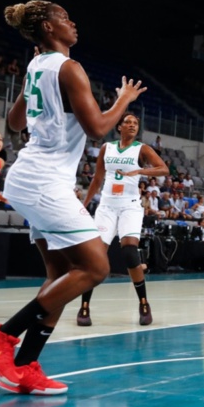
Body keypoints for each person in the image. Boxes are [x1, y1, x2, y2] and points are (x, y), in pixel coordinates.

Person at [0, 0, 145, 396]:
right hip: (44, 182)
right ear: (47, 27)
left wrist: (33, 85)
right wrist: (123, 102)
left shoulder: (36, 65)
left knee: (60, 278)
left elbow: (13, 124)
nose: (73, 22)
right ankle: (4, 338)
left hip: (28, 178)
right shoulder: (69, 68)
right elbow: (97, 129)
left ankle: (25, 368)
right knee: (95, 268)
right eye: (64, 18)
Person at [76, 112, 167, 327]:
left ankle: (143, 302)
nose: (133, 125)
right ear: (119, 127)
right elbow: (98, 178)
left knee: (128, 251)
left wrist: (141, 170)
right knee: (95, 255)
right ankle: (84, 306)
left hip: (130, 206)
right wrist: (84, 204)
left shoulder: (141, 148)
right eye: (128, 122)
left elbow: (163, 168)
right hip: (107, 206)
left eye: (136, 123)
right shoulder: (107, 148)